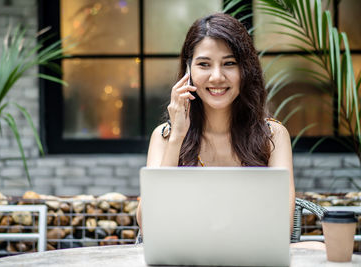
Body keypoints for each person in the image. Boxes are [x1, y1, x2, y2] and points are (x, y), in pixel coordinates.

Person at [136, 12, 324, 250]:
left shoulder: (273, 135)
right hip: (185, 256)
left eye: (229, 63)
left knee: (317, 249)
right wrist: (177, 137)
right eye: (204, 64)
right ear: (187, 71)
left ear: (245, 70)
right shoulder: (165, 136)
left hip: (252, 255)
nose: (217, 77)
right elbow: (147, 225)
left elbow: (281, 227)